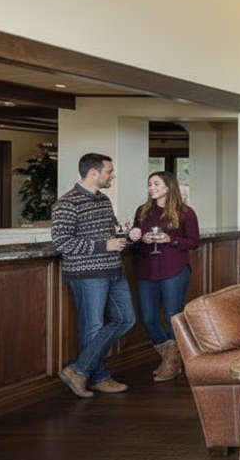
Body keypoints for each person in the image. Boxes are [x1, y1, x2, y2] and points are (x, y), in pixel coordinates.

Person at [51, 153, 136, 398]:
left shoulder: (104, 200)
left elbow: (111, 234)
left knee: (126, 319)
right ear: (93, 173)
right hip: (86, 275)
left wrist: (127, 238)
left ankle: (78, 370)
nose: (113, 175)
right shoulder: (67, 203)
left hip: (113, 271)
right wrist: (103, 246)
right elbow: (62, 243)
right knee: (93, 327)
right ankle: (98, 377)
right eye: (109, 171)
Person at [128, 171, 200, 382]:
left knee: (172, 315)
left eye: (156, 184)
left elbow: (194, 242)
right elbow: (136, 236)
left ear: (168, 186)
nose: (151, 188)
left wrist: (171, 239)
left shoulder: (186, 212)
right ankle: (172, 358)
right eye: (150, 184)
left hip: (175, 269)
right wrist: (135, 236)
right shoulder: (143, 211)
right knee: (148, 317)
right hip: (147, 269)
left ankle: (170, 364)